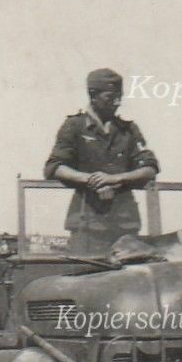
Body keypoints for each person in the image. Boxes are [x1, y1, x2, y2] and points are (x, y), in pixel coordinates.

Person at [43, 68, 159, 253]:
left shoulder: (129, 130)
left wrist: (115, 179)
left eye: (119, 96)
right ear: (93, 95)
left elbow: (150, 168)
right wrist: (90, 179)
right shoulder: (74, 126)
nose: (118, 102)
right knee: (84, 271)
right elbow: (54, 167)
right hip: (86, 225)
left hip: (125, 226)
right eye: (111, 97)